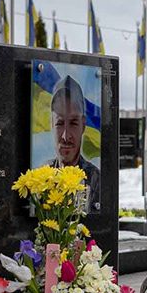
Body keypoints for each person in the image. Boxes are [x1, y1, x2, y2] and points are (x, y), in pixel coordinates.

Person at [47, 75, 101, 217]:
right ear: (51, 125)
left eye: (73, 123)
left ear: (83, 125)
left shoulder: (96, 179)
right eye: (59, 123)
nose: (66, 136)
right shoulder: (41, 177)